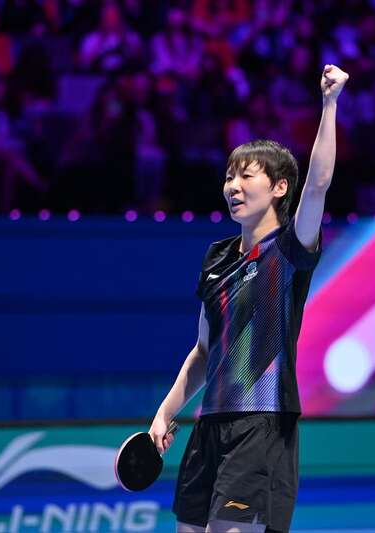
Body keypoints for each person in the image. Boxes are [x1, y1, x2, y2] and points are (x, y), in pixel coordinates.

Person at [148, 64, 349, 533]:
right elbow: (203, 352)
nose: (232, 187)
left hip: (262, 422)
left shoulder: (290, 249)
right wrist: (165, 412)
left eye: (246, 176)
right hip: (210, 423)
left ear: (279, 188)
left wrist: (329, 103)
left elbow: (318, 184)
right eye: (228, 177)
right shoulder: (216, 258)